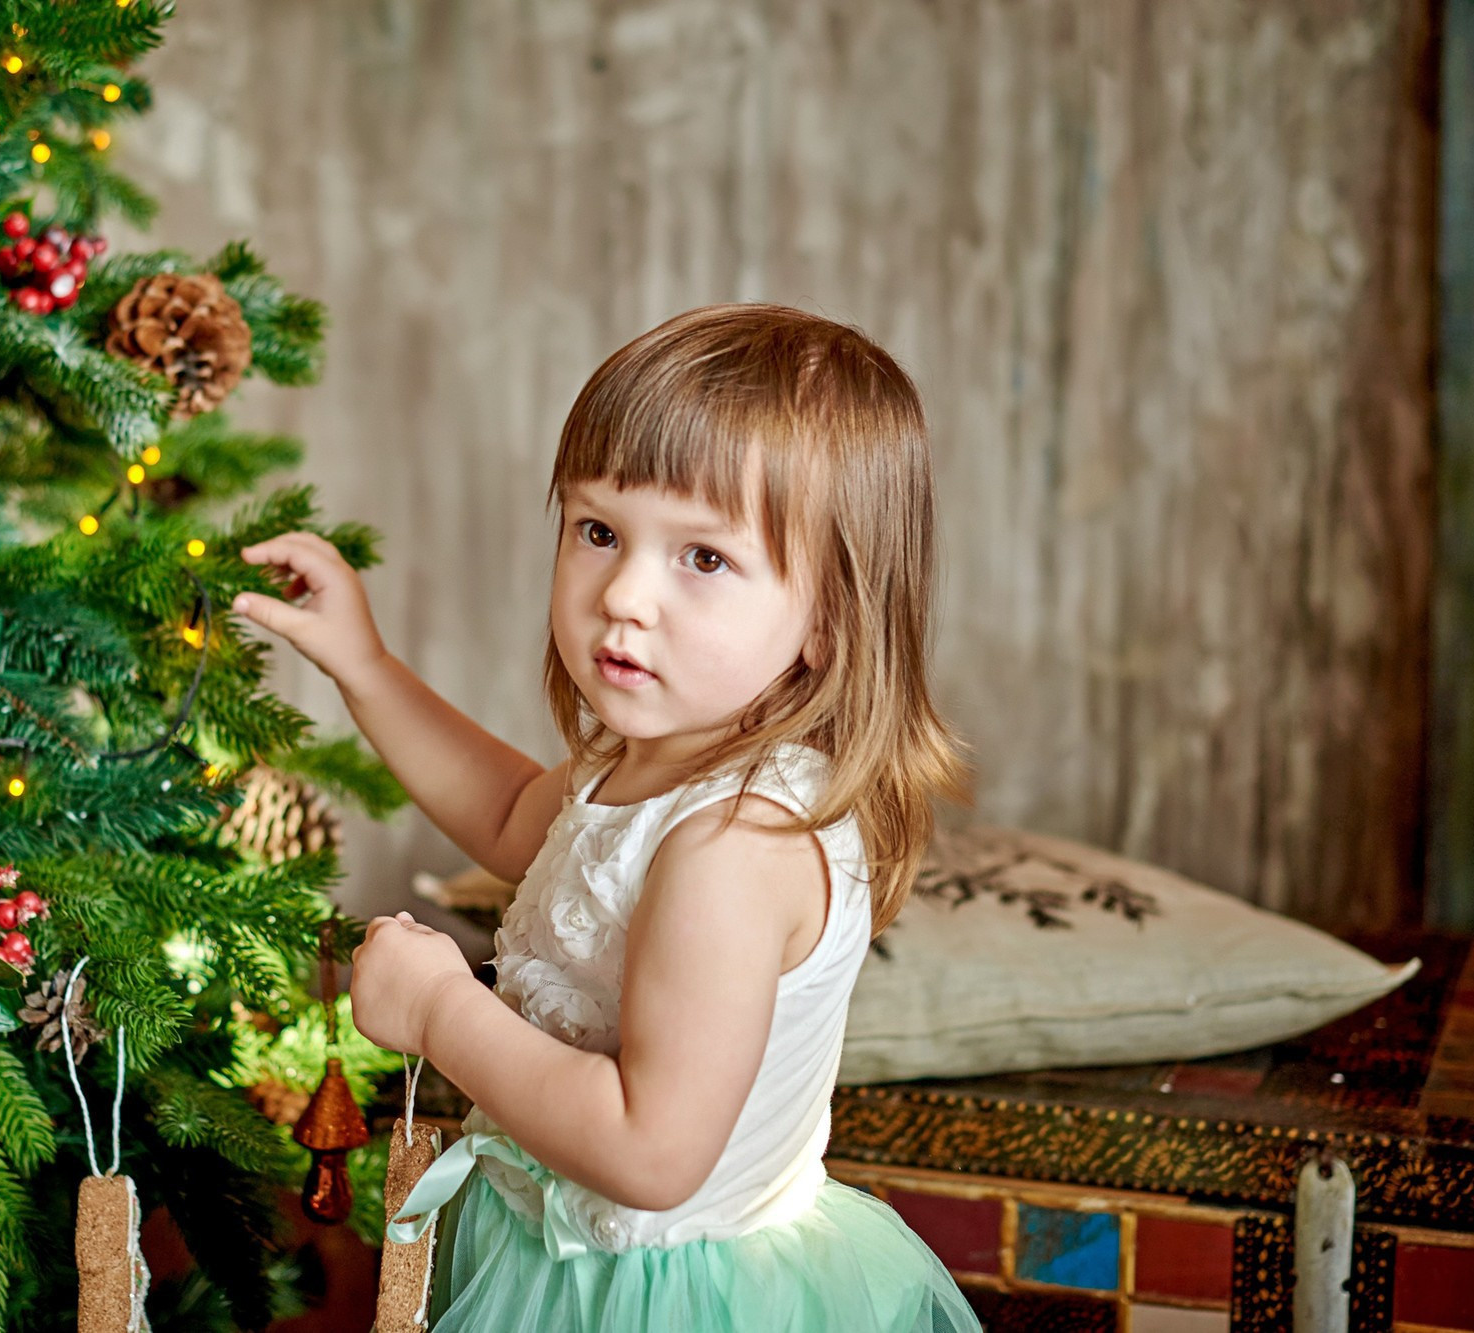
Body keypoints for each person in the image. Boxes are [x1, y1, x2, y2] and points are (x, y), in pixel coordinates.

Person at [232, 303, 982, 1331]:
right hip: (555, 1250)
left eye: (703, 558)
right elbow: (507, 812)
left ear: (828, 616)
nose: (623, 593)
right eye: (597, 530)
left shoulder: (729, 845)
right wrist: (363, 663)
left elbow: (648, 1152)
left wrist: (443, 1013)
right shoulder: (661, 756)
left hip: (649, 1298)